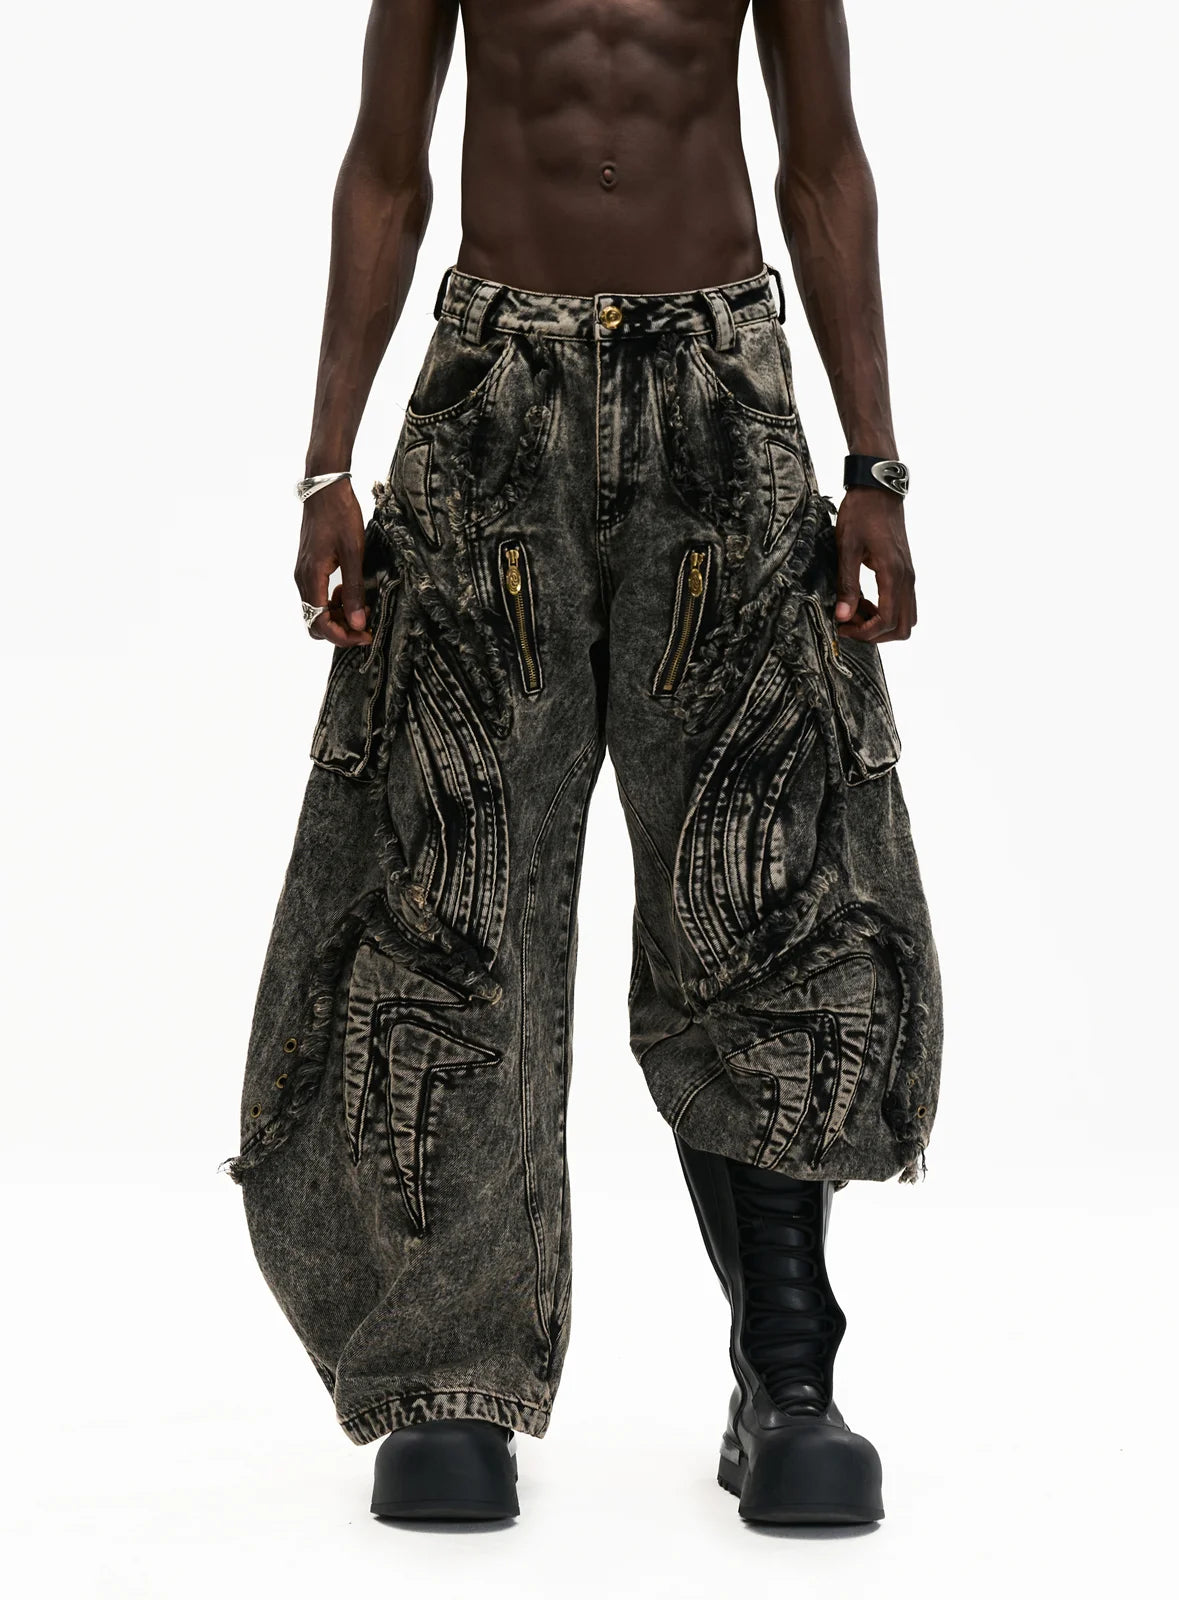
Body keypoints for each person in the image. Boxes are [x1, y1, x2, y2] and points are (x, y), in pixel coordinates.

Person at [227, 0, 942, 1526]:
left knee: (759, 887)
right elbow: (386, 165)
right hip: (496, 396)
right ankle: (451, 1378)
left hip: (719, 397)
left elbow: (823, 161)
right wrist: (326, 461)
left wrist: (874, 464)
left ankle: (788, 1375)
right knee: (458, 883)